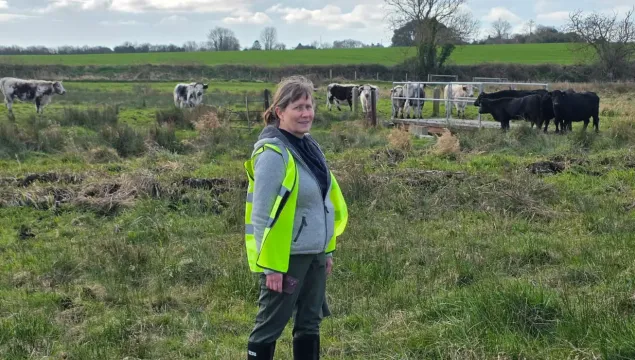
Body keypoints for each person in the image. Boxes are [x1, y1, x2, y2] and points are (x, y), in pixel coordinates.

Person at [243, 75, 348, 360]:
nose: (306, 114)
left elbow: (321, 202)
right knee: (269, 327)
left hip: (314, 254)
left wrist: (326, 249)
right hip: (286, 257)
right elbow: (261, 214)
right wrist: (271, 267)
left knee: (310, 323)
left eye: (309, 106)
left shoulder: (310, 146)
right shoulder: (273, 153)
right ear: (280, 112)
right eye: (298, 107)